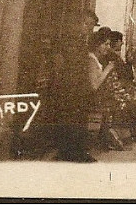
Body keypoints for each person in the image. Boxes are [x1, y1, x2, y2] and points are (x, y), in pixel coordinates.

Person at [52, 9, 99, 162]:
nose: (90, 29)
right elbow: (60, 63)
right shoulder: (69, 40)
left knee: (78, 119)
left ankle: (77, 152)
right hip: (69, 86)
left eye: (92, 26)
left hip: (79, 86)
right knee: (70, 119)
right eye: (88, 24)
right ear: (80, 23)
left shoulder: (82, 40)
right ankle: (69, 153)